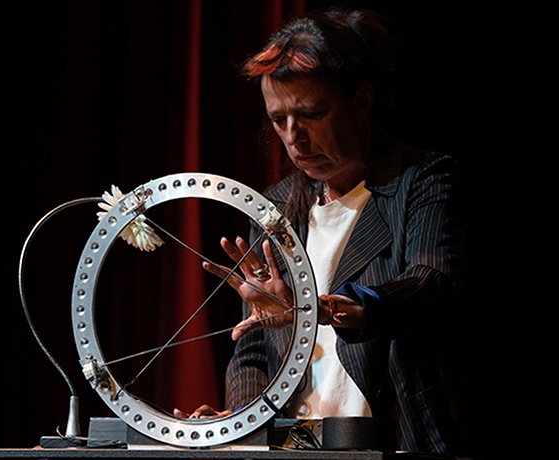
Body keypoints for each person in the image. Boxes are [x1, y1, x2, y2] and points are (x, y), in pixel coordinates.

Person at [173, 8, 467, 455]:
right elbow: (255, 343)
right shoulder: (275, 206)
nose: (294, 137)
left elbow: (431, 284)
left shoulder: (423, 180)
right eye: (278, 119)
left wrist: (316, 308)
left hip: (394, 439)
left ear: (362, 100)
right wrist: (243, 426)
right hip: (303, 443)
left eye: (311, 113)